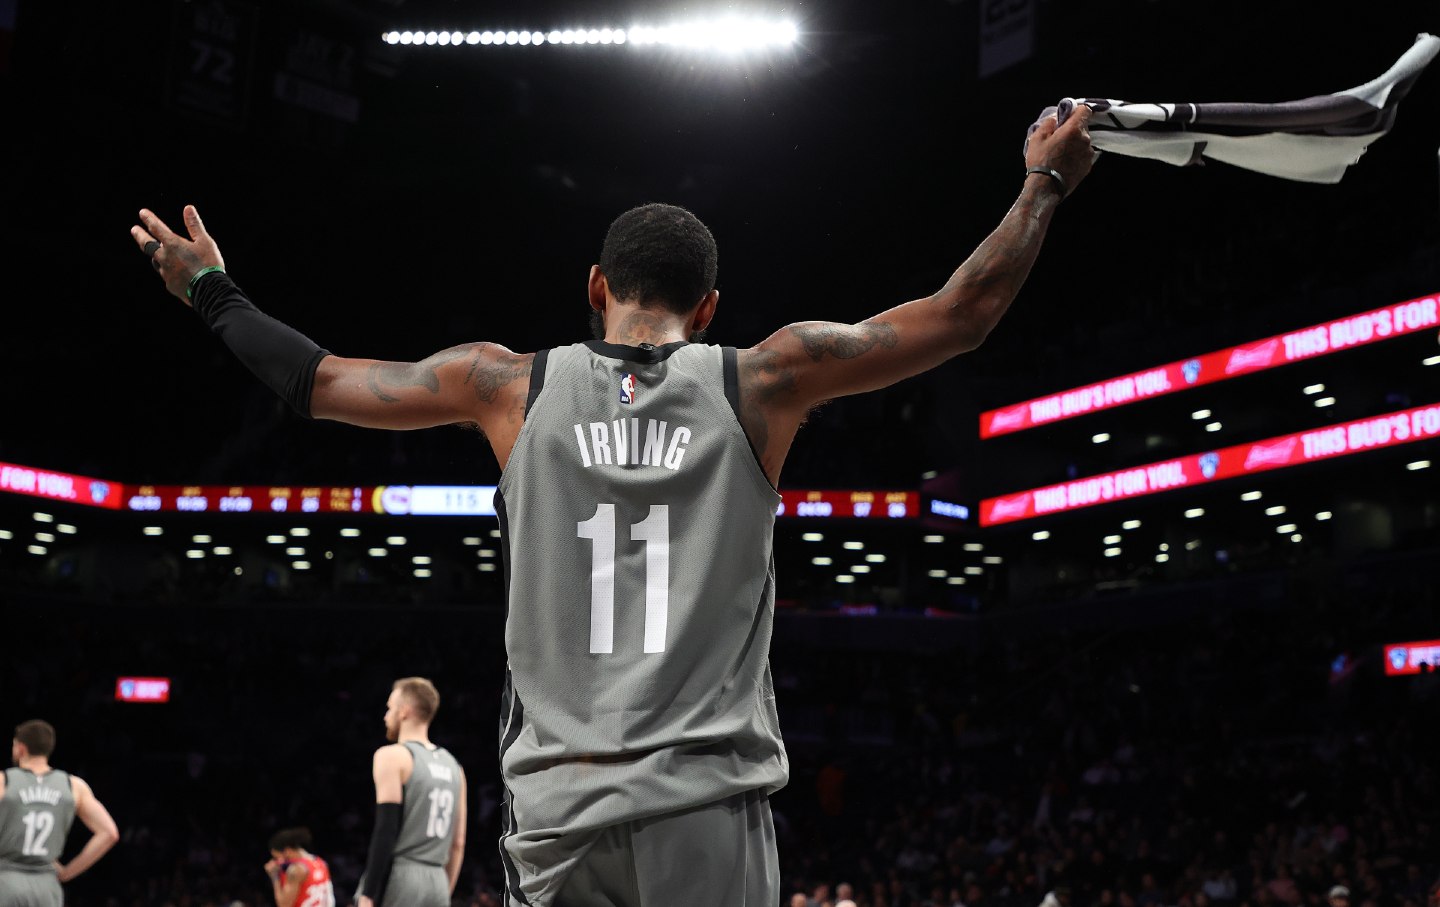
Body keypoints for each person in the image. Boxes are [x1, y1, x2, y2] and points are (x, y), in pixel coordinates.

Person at [130, 105, 1094, 907]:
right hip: (706, 805)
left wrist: (209, 288)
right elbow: (961, 315)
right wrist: (1043, 182)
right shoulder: (766, 379)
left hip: (559, 809)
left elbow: (319, 381)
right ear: (708, 308)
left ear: (595, 288)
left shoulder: (504, 385)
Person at [356, 678, 466, 907]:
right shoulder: (455, 767)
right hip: (437, 881)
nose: (386, 716)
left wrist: (368, 893)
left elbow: (386, 829)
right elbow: (458, 843)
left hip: (401, 876)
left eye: (390, 708)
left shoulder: (392, 756)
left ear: (404, 711)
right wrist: (443, 892)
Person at [0, 720, 120, 907]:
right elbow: (109, 833)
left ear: (21, 748)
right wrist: (67, 872)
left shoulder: (4, 781)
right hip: (47, 886)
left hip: (6, 880)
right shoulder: (73, 786)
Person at [264, 826, 335, 907]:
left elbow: (284, 905)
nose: (277, 861)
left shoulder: (296, 870)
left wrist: (274, 876)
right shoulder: (321, 862)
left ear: (287, 851)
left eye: (276, 857)